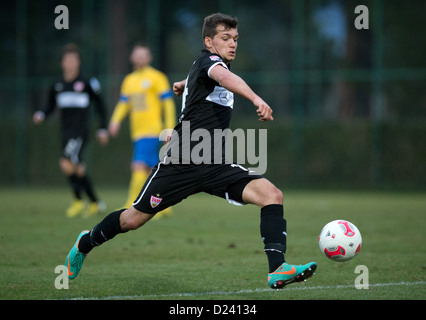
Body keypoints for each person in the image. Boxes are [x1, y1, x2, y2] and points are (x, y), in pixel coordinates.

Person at [65, 13, 316, 289]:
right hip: (181, 162)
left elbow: (208, 78)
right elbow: (218, 74)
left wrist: (184, 85)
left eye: (235, 39)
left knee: (272, 195)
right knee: (132, 219)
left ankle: (277, 268)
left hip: (215, 165)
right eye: (225, 38)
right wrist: (256, 98)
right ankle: (84, 243)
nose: (232, 44)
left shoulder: (208, 67)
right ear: (209, 41)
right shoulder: (211, 63)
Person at [33, 43, 108, 218]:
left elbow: (101, 106)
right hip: (65, 133)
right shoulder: (57, 84)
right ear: (62, 63)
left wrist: (103, 128)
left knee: (66, 162)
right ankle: (95, 202)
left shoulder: (88, 82)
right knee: (77, 168)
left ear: (79, 62)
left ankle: (78, 201)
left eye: (74, 60)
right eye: (68, 60)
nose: (71, 63)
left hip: (81, 132)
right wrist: (42, 114)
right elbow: (50, 105)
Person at [108, 43, 176, 215]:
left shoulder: (157, 77)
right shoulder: (129, 80)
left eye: (143, 55)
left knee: (138, 166)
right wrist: (115, 121)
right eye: (137, 54)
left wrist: (169, 128)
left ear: (149, 58)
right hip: (137, 132)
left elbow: (168, 104)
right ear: (132, 57)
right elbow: (124, 103)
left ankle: (131, 205)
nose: (140, 58)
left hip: (152, 130)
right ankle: (164, 206)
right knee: (152, 170)